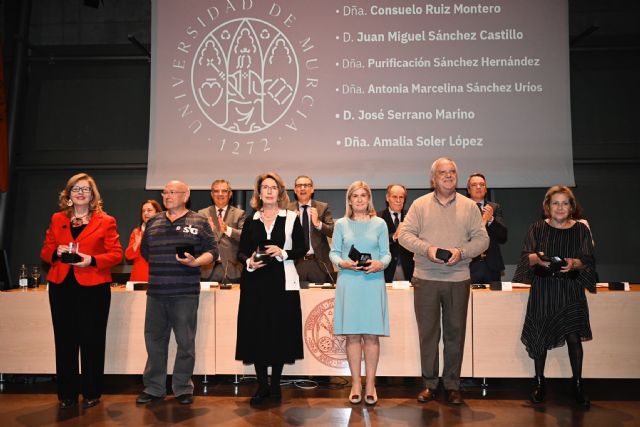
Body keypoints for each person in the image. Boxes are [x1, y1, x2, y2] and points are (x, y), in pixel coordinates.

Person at [398, 157, 489, 405]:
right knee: (428, 334)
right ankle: (429, 384)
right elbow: (404, 236)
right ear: (433, 178)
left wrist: (462, 252)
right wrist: (427, 250)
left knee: (455, 334)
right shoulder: (419, 205)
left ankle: (452, 385)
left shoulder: (470, 207)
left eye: (452, 172)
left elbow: (483, 240)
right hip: (425, 278)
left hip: (458, 279)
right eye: (442, 172)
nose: (448, 176)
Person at [40, 173, 123, 409]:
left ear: (93, 195)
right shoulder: (57, 219)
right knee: (65, 341)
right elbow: (45, 252)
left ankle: (91, 392)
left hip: (94, 288)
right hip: (61, 286)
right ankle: (66, 393)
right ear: (68, 195)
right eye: (75, 188)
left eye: (85, 189)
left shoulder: (106, 221)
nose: (80, 192)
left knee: (92, 340)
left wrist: (92, 260)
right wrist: (56, 251)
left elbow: (117, 254)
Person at [513, 185, 597, 409]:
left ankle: (577, 385)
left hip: (571, 290)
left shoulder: (581, 230)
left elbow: (587, 259)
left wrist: (574, 263)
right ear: (547, 207)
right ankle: (540, 384)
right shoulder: (537, 228)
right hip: (544, 289)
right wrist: (538, 259)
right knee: (539, 336)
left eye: (564, 203)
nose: (560, 207)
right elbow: (525, 257)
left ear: (572, 207)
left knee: (573, 337)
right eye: (555, 203)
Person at [136, 180, 218, 406]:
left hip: (185, 293)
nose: (167, 196)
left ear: (186, 195)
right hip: (156, 293)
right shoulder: (153, 221)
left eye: (172, 192)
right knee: (154, 341)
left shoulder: (199, 221)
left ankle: (182, 388)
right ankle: (154, 388)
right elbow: (145, 252)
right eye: (165, 192)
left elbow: (213, 251)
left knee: (185, 342)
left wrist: (195, 263)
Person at [236, 172, 306, 405]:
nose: (268, 191)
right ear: (258, 193)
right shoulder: (251, 220)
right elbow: (241, 251)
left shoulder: (291, 217)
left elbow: (302, 249)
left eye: (273, 187)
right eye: (264, 187)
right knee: (256, 333)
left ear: (280, 192)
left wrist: (282, 252)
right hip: (255, 283)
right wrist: (249, 262)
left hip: (282, 282)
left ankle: (275, 386)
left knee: (278, 334)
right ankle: (262, 386)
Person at [330, 181, 391, 406]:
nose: (359, 199)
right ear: (349, 200)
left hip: (372, 282)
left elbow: (387, 255)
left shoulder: (380, 224)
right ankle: (356, 383)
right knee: (353, 336)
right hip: (349, 282)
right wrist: (343, 263)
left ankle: (371, 384)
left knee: (372, 336)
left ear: (369, 199)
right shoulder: (341, 224)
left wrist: (378, 264)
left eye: (363, 196)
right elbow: (334, 253)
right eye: (354, 196)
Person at [287, 175, 335, 283]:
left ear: (312, 189)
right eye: (299, 186)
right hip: (295, 263)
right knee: (296, 298)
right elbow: (281, 237)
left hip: (318, 263)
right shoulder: (287, 209)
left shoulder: (322, 207)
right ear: (295, 190)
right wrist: (290, 224)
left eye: (306, 185)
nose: (302, 188)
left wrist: (318, 223)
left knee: (320, 298)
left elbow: (333, 231)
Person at [198, 179, 246, 282]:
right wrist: (207, 232)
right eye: (216, 191)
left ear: (230, 194)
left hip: (232, 269)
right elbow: (196, 240)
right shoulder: (202, 214)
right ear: (212, 194)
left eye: (224, 191)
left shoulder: (239, 214)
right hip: (208, 269)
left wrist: (227, 230)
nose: (220, 194)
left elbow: (245, 237)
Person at [466, 173, 508, 284]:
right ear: (469, 190)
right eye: (474, 185)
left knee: (493, 300)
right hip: (470, 264)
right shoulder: (462, 207)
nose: (479, 187)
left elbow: (503, 236)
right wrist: (483, 221)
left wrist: (491, 220)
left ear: (485, 189)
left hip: (492, 265)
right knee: (468, 300)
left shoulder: (494, 207)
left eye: (482, 184)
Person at [377, 184, 414, 283]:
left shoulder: (411, 217)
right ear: (387, 198)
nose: (398, 200)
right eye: (394, 197)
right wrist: (393, 236)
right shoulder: (377, 218)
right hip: (385, 271)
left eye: (401, 197)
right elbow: (375, 242)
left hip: (409, 270)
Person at [125, 199, 162, 282]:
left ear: (157, 213)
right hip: (139, 277)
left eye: (149, 210)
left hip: (158, 277)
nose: (145, 213)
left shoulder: (164, 231)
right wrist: (137, 244)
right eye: (143, 211)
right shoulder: (136, 232)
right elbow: (128, 256)